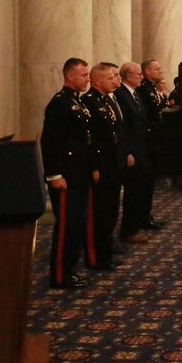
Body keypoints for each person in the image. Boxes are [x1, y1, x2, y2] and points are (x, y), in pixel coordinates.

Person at [41, 58, 96, 288]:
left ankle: (71, 268)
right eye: (83, 75)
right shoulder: (59, 104)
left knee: (77, 224)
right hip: (65, 177)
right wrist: (54, 175)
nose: (87, 79)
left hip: (79, 174)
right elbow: (51, 142)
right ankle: (60, 275)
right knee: (66, 227)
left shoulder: (77, 102)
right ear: (69, 76)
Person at [80, 63, 124, 270]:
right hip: (100, 165)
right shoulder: (89, 102)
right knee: (99, 214)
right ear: (97, 81)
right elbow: (90, 139)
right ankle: (96, 257)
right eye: (110, 78)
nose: (115, 81)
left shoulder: (107, 101)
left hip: (112, 163)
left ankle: (106, 252)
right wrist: (94, 166)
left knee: (110, 210)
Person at [115, 62, 152, 244]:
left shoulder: (134, 94)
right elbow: (123, 128)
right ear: (129, 76)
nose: (142, 77)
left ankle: (136, 225)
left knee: (140, 190)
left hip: (141, 149)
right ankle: (129, 229)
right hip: (132, 152)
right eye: (138, 74)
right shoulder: (121, 95)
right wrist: (128, 151)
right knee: (133, 191)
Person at [135, 59, 165, 231]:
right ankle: (142, 218)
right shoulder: (144, 90)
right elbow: (154, 109)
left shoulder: (151, 87)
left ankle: (146, 216)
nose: (161, 72)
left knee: (149, 183)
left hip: (153, 139)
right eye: (157, 69)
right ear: (147, 72)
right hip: (146, 141)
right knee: (144, 184)